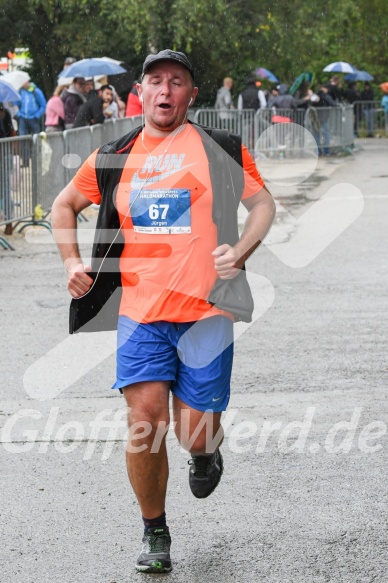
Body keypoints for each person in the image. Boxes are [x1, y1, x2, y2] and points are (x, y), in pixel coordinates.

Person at [51, 49, 275, 574]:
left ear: (190, 95)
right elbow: (63, 205)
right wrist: (70, 261)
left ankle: (205, 452)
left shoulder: (220, 149)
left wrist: (241, 251)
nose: (166, 90)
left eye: (177, 82)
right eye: (156, 81)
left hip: (206, 314)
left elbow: (262, 204)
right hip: (141, 313)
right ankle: (155, 530)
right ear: (142, 94)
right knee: (143, 420)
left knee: (194, 431)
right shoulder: (113, 156)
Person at [16, 77, 46, 166]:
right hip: (22, 118)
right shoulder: (20, 92)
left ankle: (36, 160)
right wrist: (18, 113)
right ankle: (25, 161)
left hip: (33, 118)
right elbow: (15, 104)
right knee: (23, 140)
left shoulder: (36, 91)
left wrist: (37, 115)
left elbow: (43, 105)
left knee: (35, 139)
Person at [0, 102, 16, 234]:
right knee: (5, 189)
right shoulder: (5, 112)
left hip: (4, 155)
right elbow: (12, 133)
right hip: (6, 154)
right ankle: (8, 222)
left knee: (4, 189)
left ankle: (9, 222)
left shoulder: (4, 113)